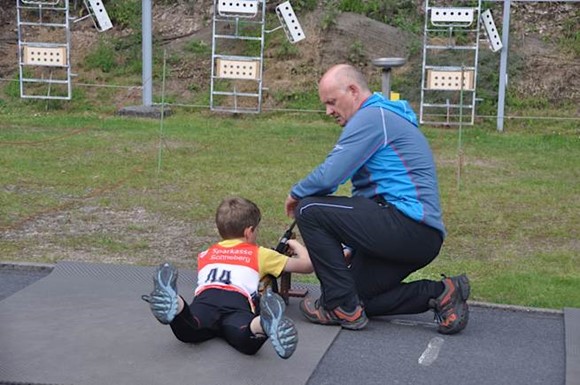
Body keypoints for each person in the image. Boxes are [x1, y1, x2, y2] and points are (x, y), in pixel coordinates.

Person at [284, 64, 470, 334]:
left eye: (332, 102)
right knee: (357, 296)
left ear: (353, 91)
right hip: (420, 236)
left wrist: (295, 193)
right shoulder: (382, 118)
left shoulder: (372, 117)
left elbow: (330, 177)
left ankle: (338, 307)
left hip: (407, 225)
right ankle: (442, 293)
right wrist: (351, 245)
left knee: (309, 207)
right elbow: (366, 198)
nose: (328, 111)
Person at [142, 196, 313, 359]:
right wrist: (294, 244)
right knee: (245, 339)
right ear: (249, 232)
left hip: (205, 300)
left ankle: (177, 303)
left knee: (189, 330)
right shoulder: (260, 254)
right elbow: (307, 265)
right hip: (236, 303)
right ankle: (263, 323)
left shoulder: (206, 253)